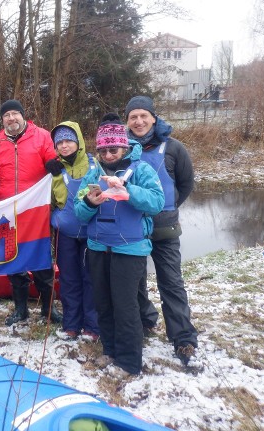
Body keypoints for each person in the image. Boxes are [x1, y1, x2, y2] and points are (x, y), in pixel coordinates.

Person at [74, 113, 164, 378]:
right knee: (104, 304)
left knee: (126, 307)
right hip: (99, 248)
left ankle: (128, 362)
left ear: (124, 146)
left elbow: (157, 202)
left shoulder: (141, 170)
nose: (108, 155)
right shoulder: (93, 174)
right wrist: (91, 202)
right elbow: (79, 214)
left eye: (113, 149)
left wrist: (130, 193)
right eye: (102, 150)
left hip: (130, 249)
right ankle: (111, 350)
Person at [125, 95, 198, 366]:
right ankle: (146, 321)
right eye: (133, 117)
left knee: (171, 282)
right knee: (135, 282)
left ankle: (183, 338)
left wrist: (168, 208)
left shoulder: (173, 148)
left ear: (153, 118)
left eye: (144, 116)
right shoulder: (122, 149)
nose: (139, 121)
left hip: (165, 230)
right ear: (128, 121)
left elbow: (186, 183)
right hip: (132, 228)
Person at [0, 99, 62, 326]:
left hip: (36, 211)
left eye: (15, 114)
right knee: (13, 260)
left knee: (41, 260)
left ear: (22, 116)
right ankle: (21, 309)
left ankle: (48, 308)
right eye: (6, 115)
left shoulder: (42, 136)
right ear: (2, 120)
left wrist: (54, 164)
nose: (11, 118)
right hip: (7, 213)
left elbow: (54, 158)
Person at [49, 121, 100, 342]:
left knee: (90, 278)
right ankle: (71, 324)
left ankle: (92, 326)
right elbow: (49, 201)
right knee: (69, 279)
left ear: (78, 142)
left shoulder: (94, 165)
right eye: (59, 142)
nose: (64, 146)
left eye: (68, 140)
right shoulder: (54, 170)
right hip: (66, 234)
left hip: (91, 233)